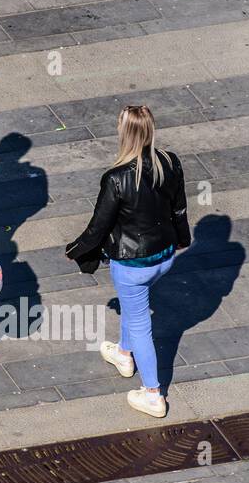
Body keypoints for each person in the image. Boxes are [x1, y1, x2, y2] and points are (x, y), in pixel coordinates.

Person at [65, 105, 191, 419]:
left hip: (133, 264)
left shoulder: (116, 178)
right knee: (133, 308)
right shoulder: (169, 163)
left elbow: (99, 226)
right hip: (164, 257)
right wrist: (183, 240)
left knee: (140, 323)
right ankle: (123, 352)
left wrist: (78, 250)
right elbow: (179, 210)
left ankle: (153, 394)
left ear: (125, 133)